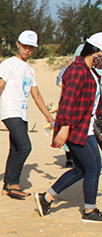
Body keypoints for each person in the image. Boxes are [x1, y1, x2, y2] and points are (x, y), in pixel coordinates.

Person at [35, 33, 102, 222]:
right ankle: (90, 211)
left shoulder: (91, 72)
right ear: (95, 52)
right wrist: (64, 128)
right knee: (94, 166)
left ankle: (46, 198)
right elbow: (67, 102)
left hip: (85, 127)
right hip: (76, 129)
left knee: (82, 170)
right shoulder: (77, 70)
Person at [0, 30, 54, 199]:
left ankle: (6, 186)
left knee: (15, 149)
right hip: (10, 112)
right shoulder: (8, 64)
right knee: (25, 147)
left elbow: (36, 95)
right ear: (17, 44)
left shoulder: (30, 70)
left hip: (23, 114)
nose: (27, 50)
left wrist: (48, 116)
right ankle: (13, 183)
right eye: (24, 46)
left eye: (31, 47)